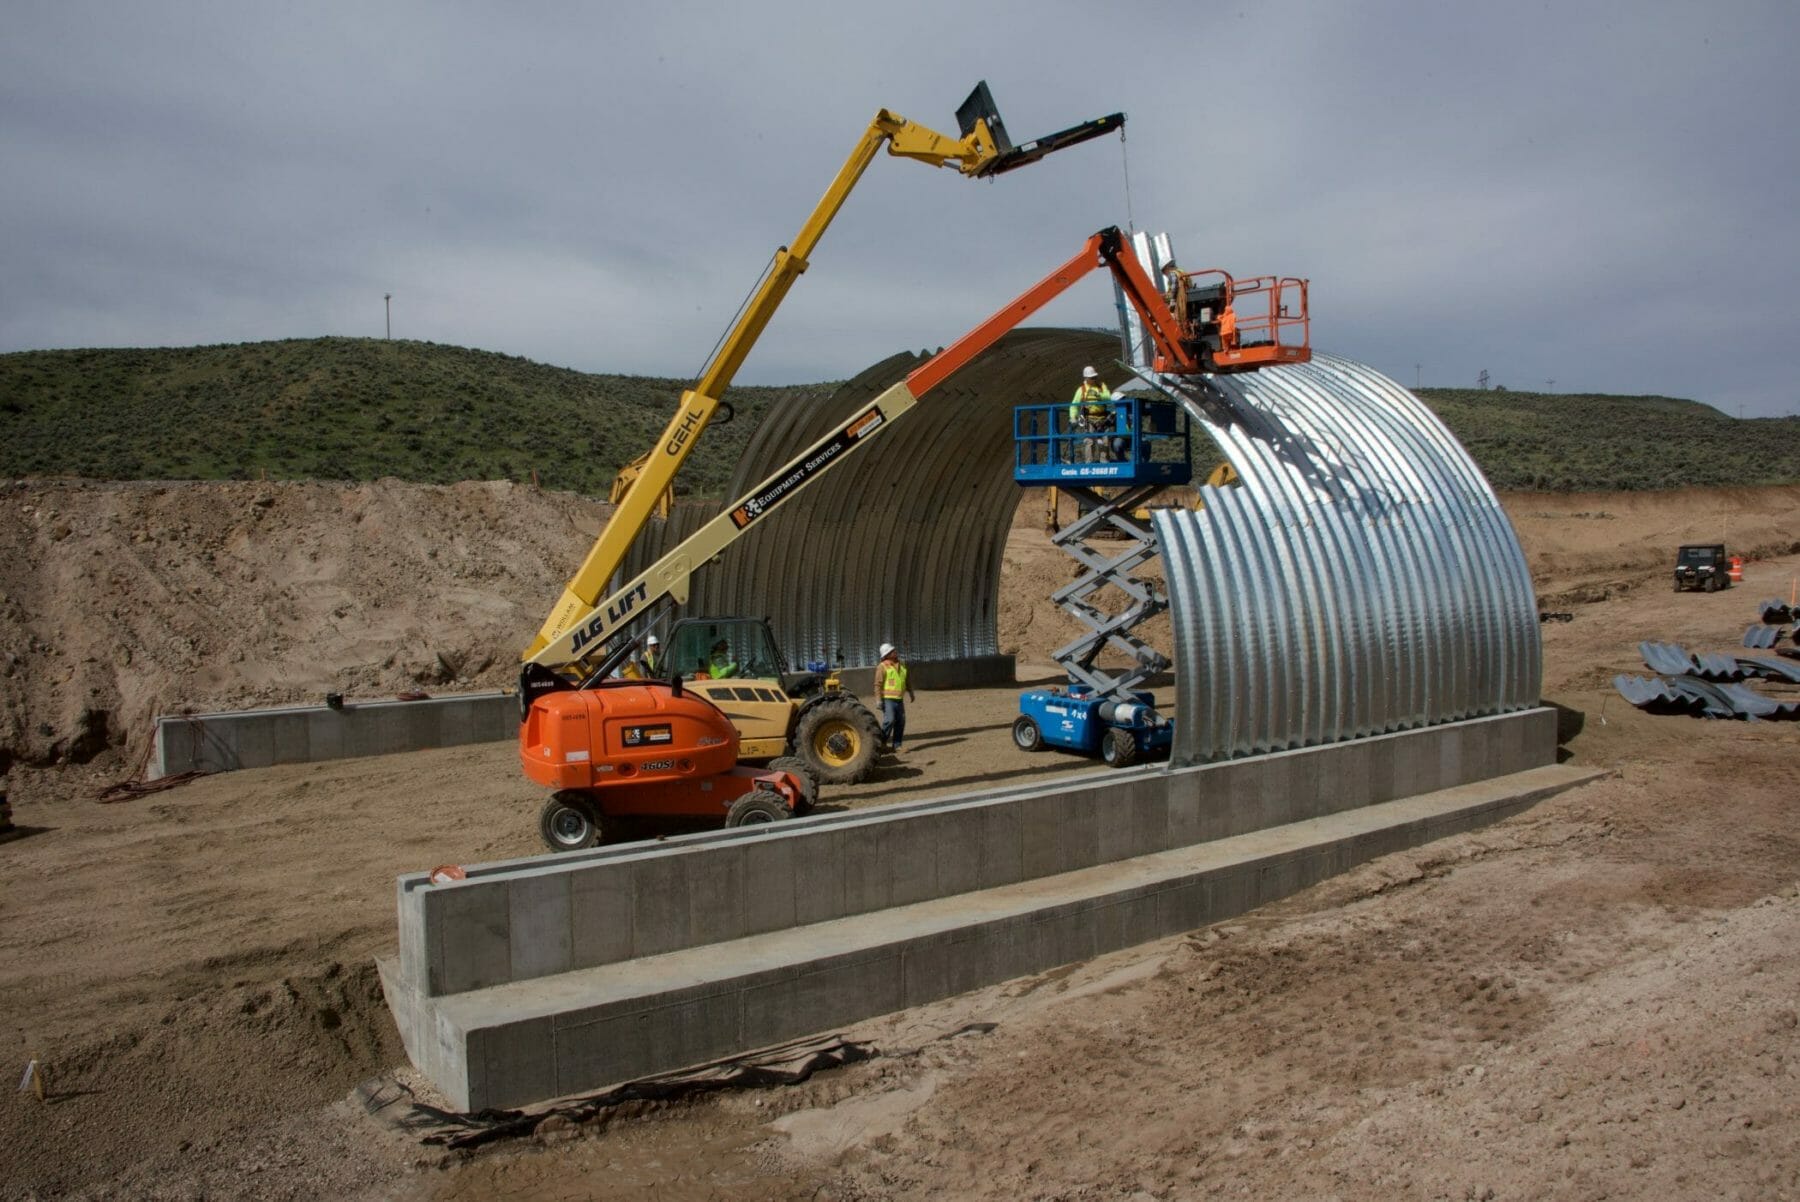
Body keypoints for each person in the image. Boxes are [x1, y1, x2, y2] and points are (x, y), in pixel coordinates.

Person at [874, 642, 915, 754]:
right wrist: (878, 700)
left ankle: (897, 745)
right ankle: (881, 745)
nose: (895, 651)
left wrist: (911, 692)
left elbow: (907, 679)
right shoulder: (882, 666)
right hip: (887, 699)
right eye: (892, 651)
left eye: (894, 650)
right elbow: (877, 684)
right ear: (886, 655)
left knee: (901, 721)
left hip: (899, 699)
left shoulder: (902, 663)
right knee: (890, 720)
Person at [1067, 365, 1112, 463]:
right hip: (1089, 420)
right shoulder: (1082, 390)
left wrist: (1099, 395)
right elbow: (1074, 405)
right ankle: (1089, 464)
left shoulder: (1101, 386)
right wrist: (1073, 417)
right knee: (1089, 442)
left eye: (1095, 377)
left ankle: (1105, 464)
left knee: (1104, 442)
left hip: (1102, 419)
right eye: (1092, 378)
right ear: (1086, 378)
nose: (1094, 379)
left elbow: (1108, 397)